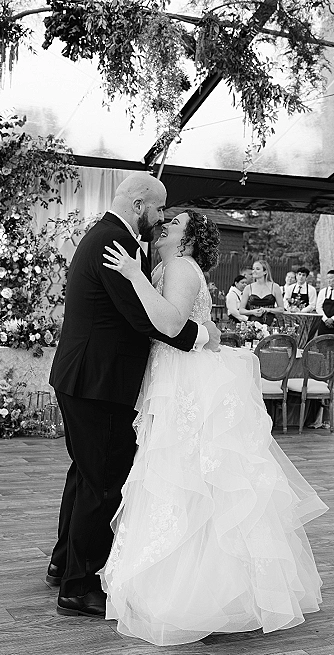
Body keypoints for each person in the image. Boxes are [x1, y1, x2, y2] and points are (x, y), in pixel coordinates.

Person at [100, 210, 327, 645]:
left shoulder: (181, 267)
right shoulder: (167, 266)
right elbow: (195, 326)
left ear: (188, 239)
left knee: (191, 477)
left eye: (176, 222)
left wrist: (133, 276)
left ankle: (200, 594)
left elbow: (170, 324)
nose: (165, 224)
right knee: (175, 476)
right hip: (174, 377)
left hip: (186, 382)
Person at [46, 175, 221, 618]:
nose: (160, 220)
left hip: (90, 378)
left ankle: (63, 562)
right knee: (103, 481)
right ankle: (79, 586)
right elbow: (144, 318)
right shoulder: (113, 242)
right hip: (98, 382)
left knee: (86, 473)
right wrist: (200, 336)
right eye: (159, 210)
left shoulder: (114, 237)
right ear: (141, 202)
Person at [238, 259, 284, 326]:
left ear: (265, 272)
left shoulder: (275, 287)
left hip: (270, 323)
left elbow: (281, 309)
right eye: (253, 269)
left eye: (257, 269)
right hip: (253, 324)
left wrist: (267, 310)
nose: (254, 271)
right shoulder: (248, 288)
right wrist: (252, 312)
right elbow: (241, 310)